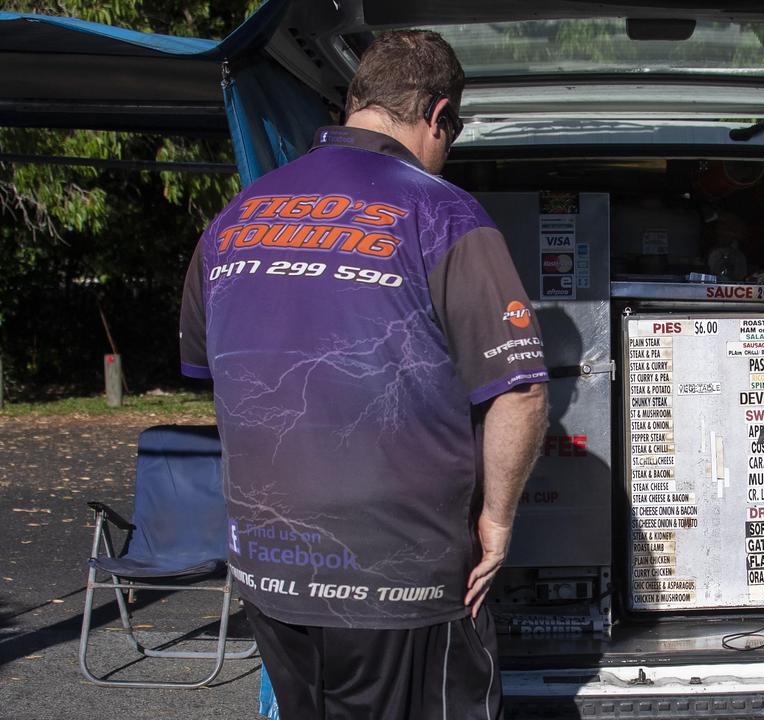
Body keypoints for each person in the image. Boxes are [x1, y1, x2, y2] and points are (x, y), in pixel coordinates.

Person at [178, 30, 548, 719]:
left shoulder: (234, 218)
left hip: (271, 573)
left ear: (355, 103)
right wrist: (495, 525)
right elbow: (520, 390)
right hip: (400, 581)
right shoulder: (443, 213)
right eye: (451, 132)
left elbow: (219, 371)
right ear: (438, 117)